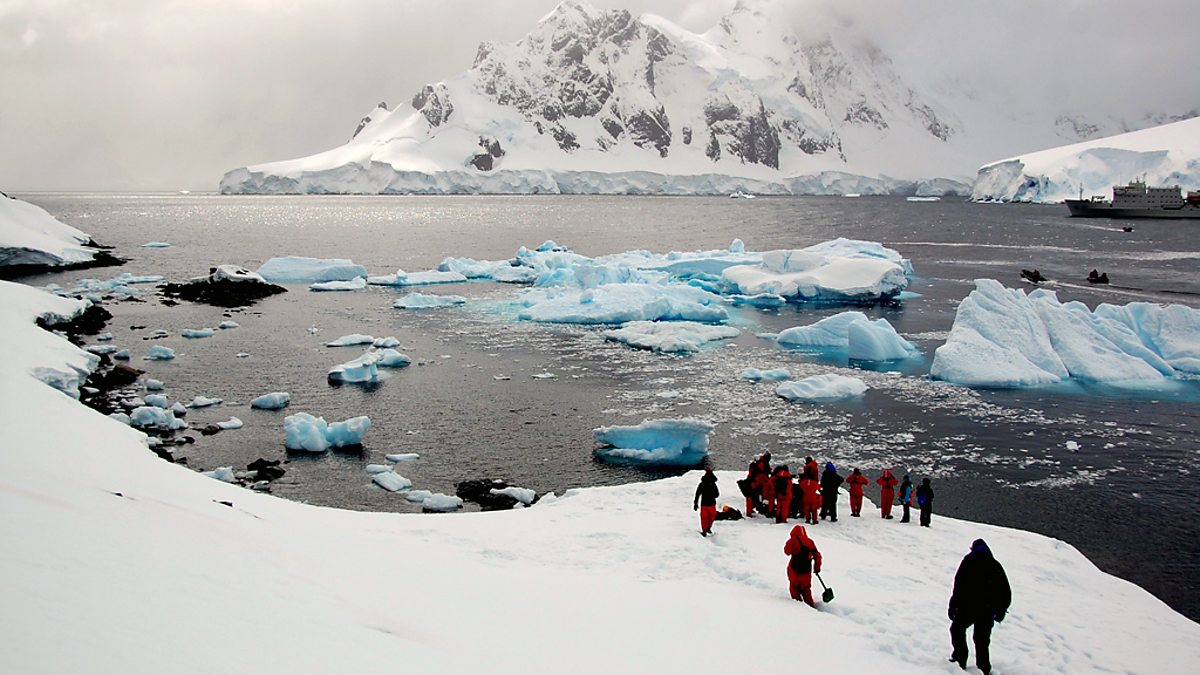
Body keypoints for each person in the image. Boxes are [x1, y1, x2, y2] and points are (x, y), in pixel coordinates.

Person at [948, 539, 1011, 674]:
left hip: (967, 607)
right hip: (987, 610)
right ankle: (984, 667)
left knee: (957, 629)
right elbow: (1005, 591)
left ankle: (960, 657)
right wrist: (1000, 611)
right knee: (981, 640)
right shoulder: (995, 565)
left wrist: (953, 606)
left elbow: (958, 585)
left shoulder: (968, 561)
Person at [783, 525, 823, 607]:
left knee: (794, 587)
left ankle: (798, 607)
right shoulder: (810, 542)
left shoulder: (793, 540)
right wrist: (817, 568)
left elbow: (787, 552)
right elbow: (817, 556)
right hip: (806, 571)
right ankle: (811, 607)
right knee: (806, 589)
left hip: (794, 570)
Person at [741, 453, 771, 517]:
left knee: (751, 498)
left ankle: (752, 510)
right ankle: (761, 509)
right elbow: (761, 476)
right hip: (756, 483)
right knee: (755, 498)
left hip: (753, 483)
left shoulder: (755, 465)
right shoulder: (762, 464)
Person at [693, 467, 720, 536]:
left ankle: (704, 531)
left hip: (704, 504)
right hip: (712, 504)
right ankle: (709, 528)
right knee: (712, 516)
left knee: (704, 518)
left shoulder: (702, 484)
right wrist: (712, 496)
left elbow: (697, 494)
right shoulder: (714, 485)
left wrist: (695, 503)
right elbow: (717, 494)